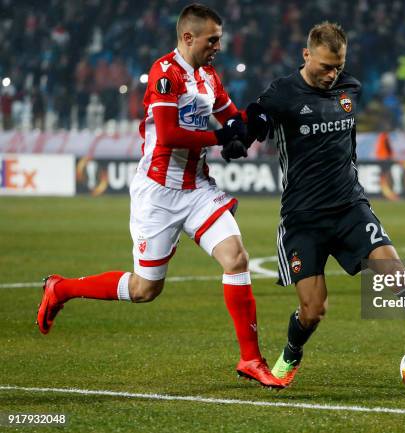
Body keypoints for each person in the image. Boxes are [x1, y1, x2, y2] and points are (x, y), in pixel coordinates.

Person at [36, 4, 282, 389]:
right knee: (144, 289)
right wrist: (222, 138)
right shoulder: (165, 74)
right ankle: (61, 288)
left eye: (220, 38)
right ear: (188, 37)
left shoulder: (208, 76)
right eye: (212, 39)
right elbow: (168, 135)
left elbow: (230, 116)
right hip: (158, 194)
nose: (219, 45)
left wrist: (248, 129)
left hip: (197, 188)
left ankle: (251, 359)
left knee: (236, 258)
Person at [246, 22, 405, 387]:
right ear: (306, 54)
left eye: (338, 66)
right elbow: (255, 121)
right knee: (314, 311)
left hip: (350, 208)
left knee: (401, 277)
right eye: (326, 66)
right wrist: (241, 134)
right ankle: (291, 354)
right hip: (304, 218)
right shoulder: (282, 93)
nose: (332, 74)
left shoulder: (350, 88)